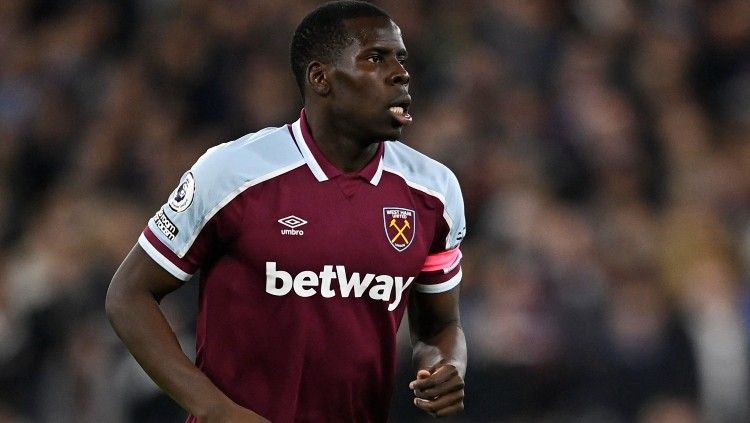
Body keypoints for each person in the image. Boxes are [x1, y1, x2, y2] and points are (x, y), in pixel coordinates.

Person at [106, 1, 467, 422]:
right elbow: (128, 295)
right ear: (321, 78)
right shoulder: (233, 173)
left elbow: (439, 325)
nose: (401, 73)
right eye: (375, 58)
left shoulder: (434, 192)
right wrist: (214, 409)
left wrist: (447, 366)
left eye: (401, 59)